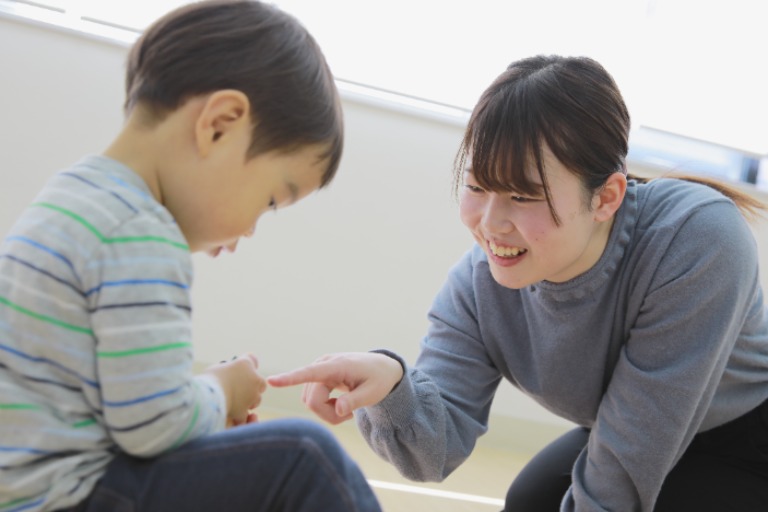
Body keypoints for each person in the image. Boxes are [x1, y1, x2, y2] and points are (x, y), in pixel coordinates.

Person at [268, 54, 768, 511]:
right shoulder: (477, 286)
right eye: (477, 186)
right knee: (531, 500)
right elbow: (433, 451)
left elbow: (620, 480)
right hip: (628, 427)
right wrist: (391, 386)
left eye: (523, 196)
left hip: (748, 441)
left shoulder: (697, 239)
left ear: (606, 198)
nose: (490, 224)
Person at [0, 2, 382, 511]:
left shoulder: (73, 196)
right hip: (69, 497)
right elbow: (154, 427)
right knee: (304, 456)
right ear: (219, 124)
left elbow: (117, 408)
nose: (249, 230)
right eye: (270, 200)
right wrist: (222, 390)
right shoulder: (139, 233)